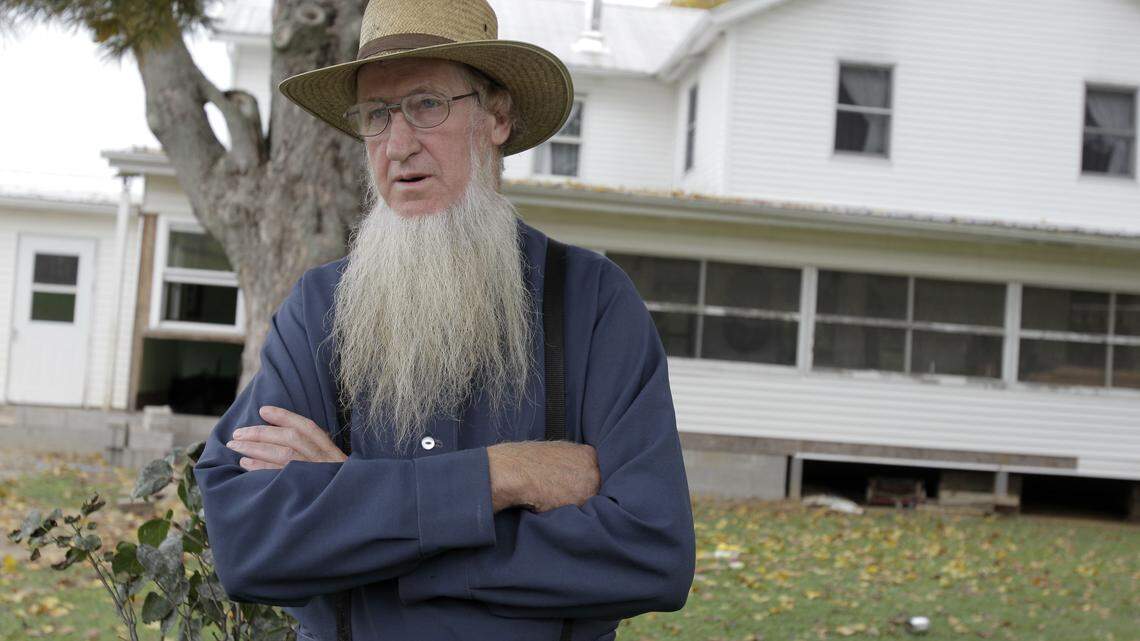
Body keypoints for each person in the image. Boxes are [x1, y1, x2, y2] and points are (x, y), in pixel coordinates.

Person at [191, 0, 696, 639]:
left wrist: (359, 516)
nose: (399, 145)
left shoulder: (593, 302)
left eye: (428, 105)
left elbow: (653, 554)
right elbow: (247, 541)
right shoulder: (320, 310)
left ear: (498, 118)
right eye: (376, 115)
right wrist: (503, 475)